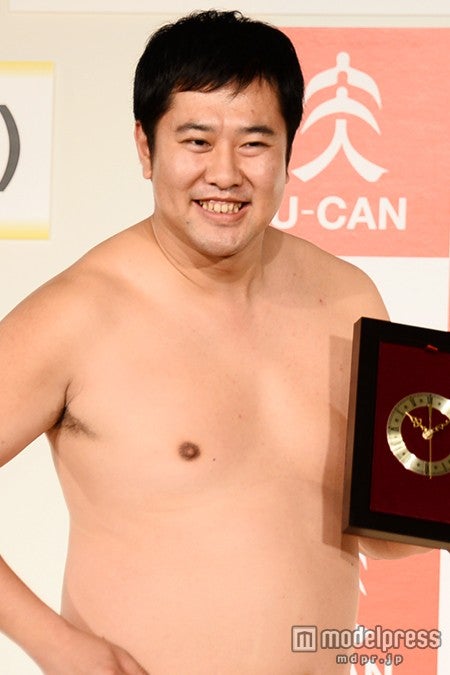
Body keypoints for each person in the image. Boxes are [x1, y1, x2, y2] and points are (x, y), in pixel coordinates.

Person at [0, 9, 428, 675]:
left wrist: (431, 481)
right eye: (196, 141)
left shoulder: (351, 299)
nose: (225, 174)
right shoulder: (78, 314)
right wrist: (59, 647)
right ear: (146, 148)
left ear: (289, 150)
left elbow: (389, 539)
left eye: (254, 143)